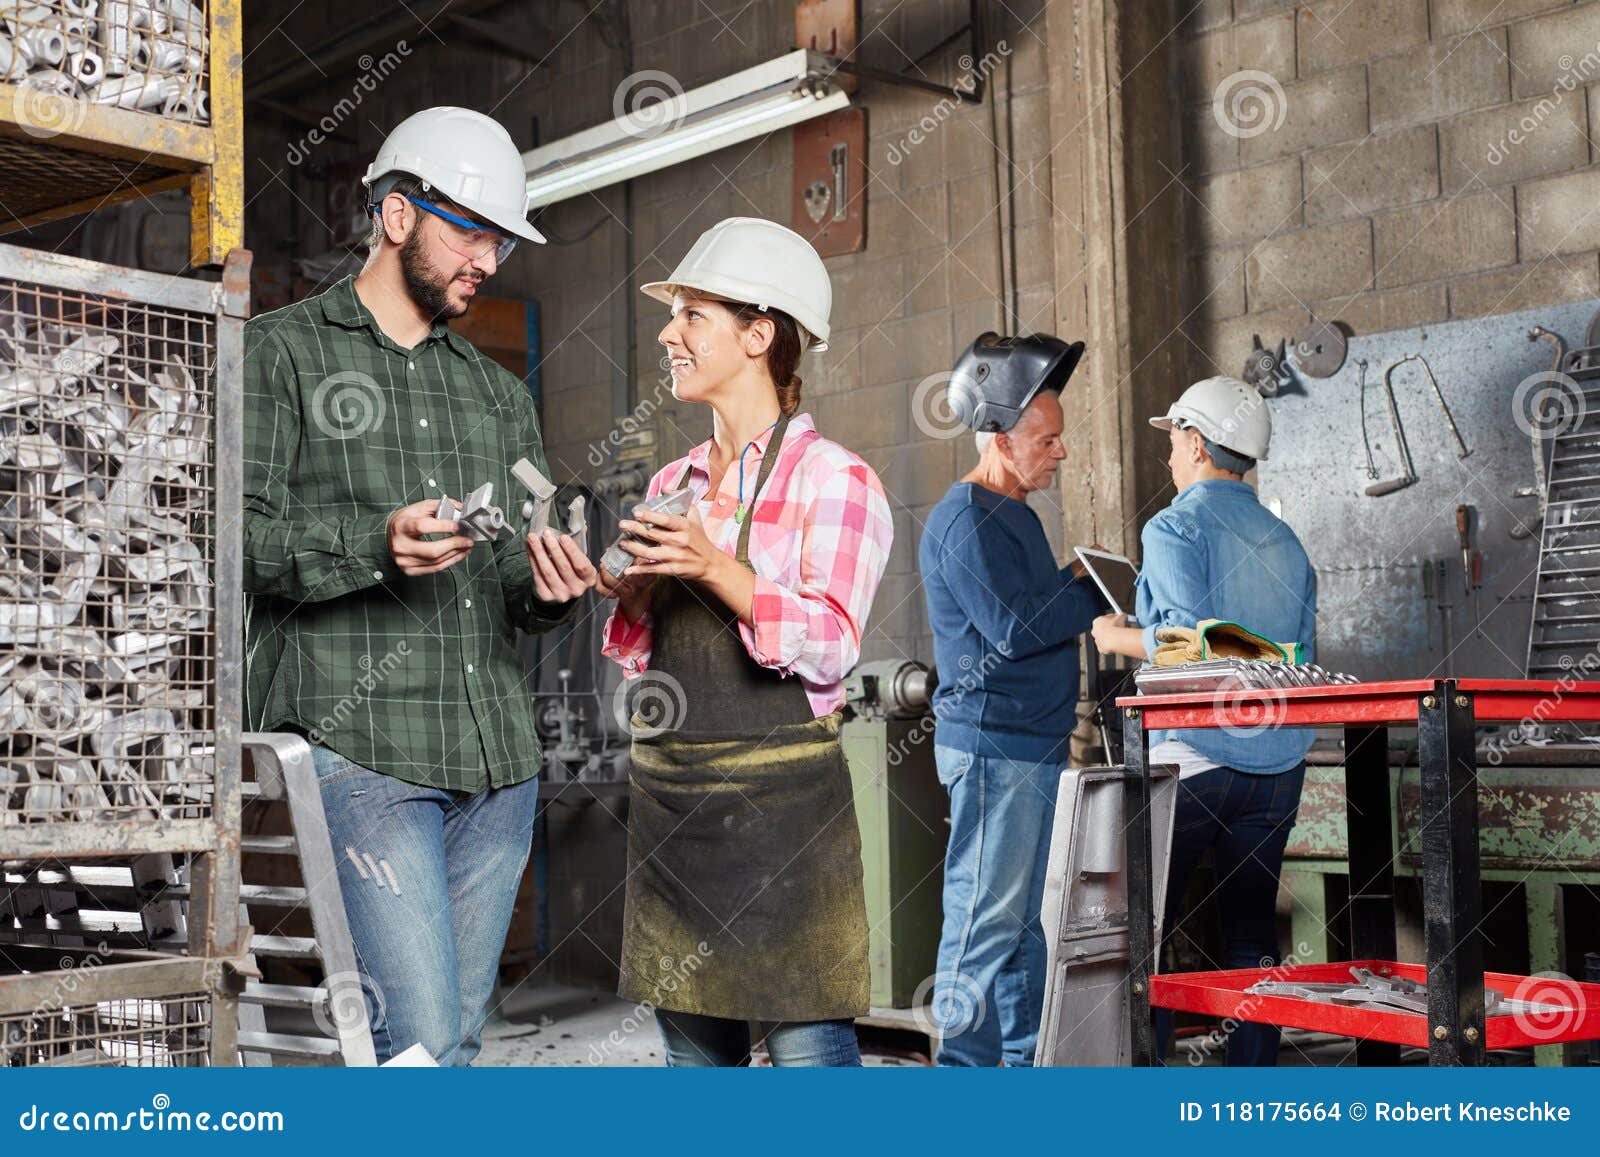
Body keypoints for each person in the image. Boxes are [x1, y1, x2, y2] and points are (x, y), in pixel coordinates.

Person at [241, 107, 596, 1065]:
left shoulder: (493, 392)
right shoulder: (283, 353)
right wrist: (373, 546)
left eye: (499, 244)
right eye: (471, 233)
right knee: (420, 1040)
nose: (488, 260)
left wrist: (552, 583)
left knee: (453, 1047)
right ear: (398, 217)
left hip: (495, 757)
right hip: (363, 750)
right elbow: (234, 545)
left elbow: (515, 581)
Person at [596, 217, 893, 1067]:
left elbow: (833, 644)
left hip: (784, 820)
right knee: (697, 1076)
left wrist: (716, 567)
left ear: (759, 334)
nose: (668, 333)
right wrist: (627, 588)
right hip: (674, 807)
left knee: (809, 1067)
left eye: (692, 315)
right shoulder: (672, 482)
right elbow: (641, 650)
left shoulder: (834, 478)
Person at [1090, 375, 1316, 1067]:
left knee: (1142, 937)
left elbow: (1194, 641)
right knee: (1249, 933)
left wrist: (1118, 636)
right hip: (1278, 763)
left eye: (1173, 443)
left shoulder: (1174, 524)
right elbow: (1292, 651)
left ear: (1195, 443)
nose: (1168, 458)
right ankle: (1252, 1095)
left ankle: (1145, 1111)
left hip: (1195, 757)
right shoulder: (1286, 539)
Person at [917, 332, 1105, 1066]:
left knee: (1026, 928)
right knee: (982, 926)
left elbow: (1031, 604)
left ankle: (1025, 1073)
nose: (1060, 452)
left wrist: (1076, 589)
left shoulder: (1014, 516)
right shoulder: (966, 518)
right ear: (999, 433)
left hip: (1030, 748)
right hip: (995, 752)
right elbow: (1017, 625)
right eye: (1047, 439)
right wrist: (1089, 590)